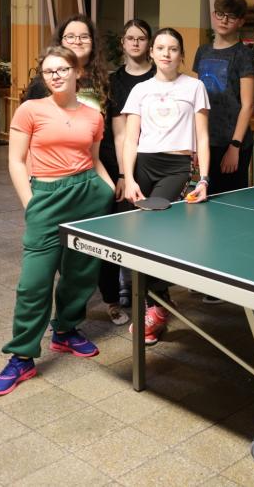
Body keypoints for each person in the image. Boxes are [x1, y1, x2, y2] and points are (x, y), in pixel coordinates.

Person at [0, 47, 115, 396]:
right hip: (46, 196)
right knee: (34, 282)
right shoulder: (30, 110)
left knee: (81, 273)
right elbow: (16, 161)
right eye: (49, 71)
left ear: (77, 72)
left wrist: (105, 190)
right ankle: (21, 356)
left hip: (88, 195)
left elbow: (93, 159)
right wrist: (31, 204)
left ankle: (66, 330)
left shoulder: (93, 115)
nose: (56, 75)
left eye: (62, 69)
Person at [121, 28, 211, 345]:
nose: (166, 53)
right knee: (136, 235)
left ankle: (157, 304)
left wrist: (203, 178)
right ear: (152, 53)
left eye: (173, 48)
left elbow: (202, 137)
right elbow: (130, 139)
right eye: (160, 48)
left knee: (154, 225)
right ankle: (158, 303)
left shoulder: (195, 87)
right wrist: (129, 177)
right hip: (143, 164)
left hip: (176, 165)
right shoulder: (140, 90)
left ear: (181, 54)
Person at [94, 19, 156, 324]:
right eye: (130, 38)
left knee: (150, 232)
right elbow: (119, 134)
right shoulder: (114, 80)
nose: (135, 43)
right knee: (116, 229)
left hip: (153, 160)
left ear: (149, 44)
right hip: (117, 161)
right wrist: (122, 174)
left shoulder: (159, 76)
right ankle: (112, 295)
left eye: (141, 38)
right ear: (123, 43)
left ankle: (151, 297)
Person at [194, 0, 254, 195]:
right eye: (220, 14)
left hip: (232, 142)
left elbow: (248, 105)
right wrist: (195, 143)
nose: (224, 20)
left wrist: (234, 146)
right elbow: (197, 100)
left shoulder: (243, 54)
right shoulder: (202, 51)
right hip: (206, 140)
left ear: (240, 21)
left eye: (231, 16)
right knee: (204, 196)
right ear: (213, 15)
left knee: (231, 200)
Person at [23, 14, 109, 112]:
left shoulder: (104, 81)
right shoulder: (43, 82)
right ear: (60, 42)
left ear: (93, 42)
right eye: (70, 36)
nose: (77, 41)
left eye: (84, 37)